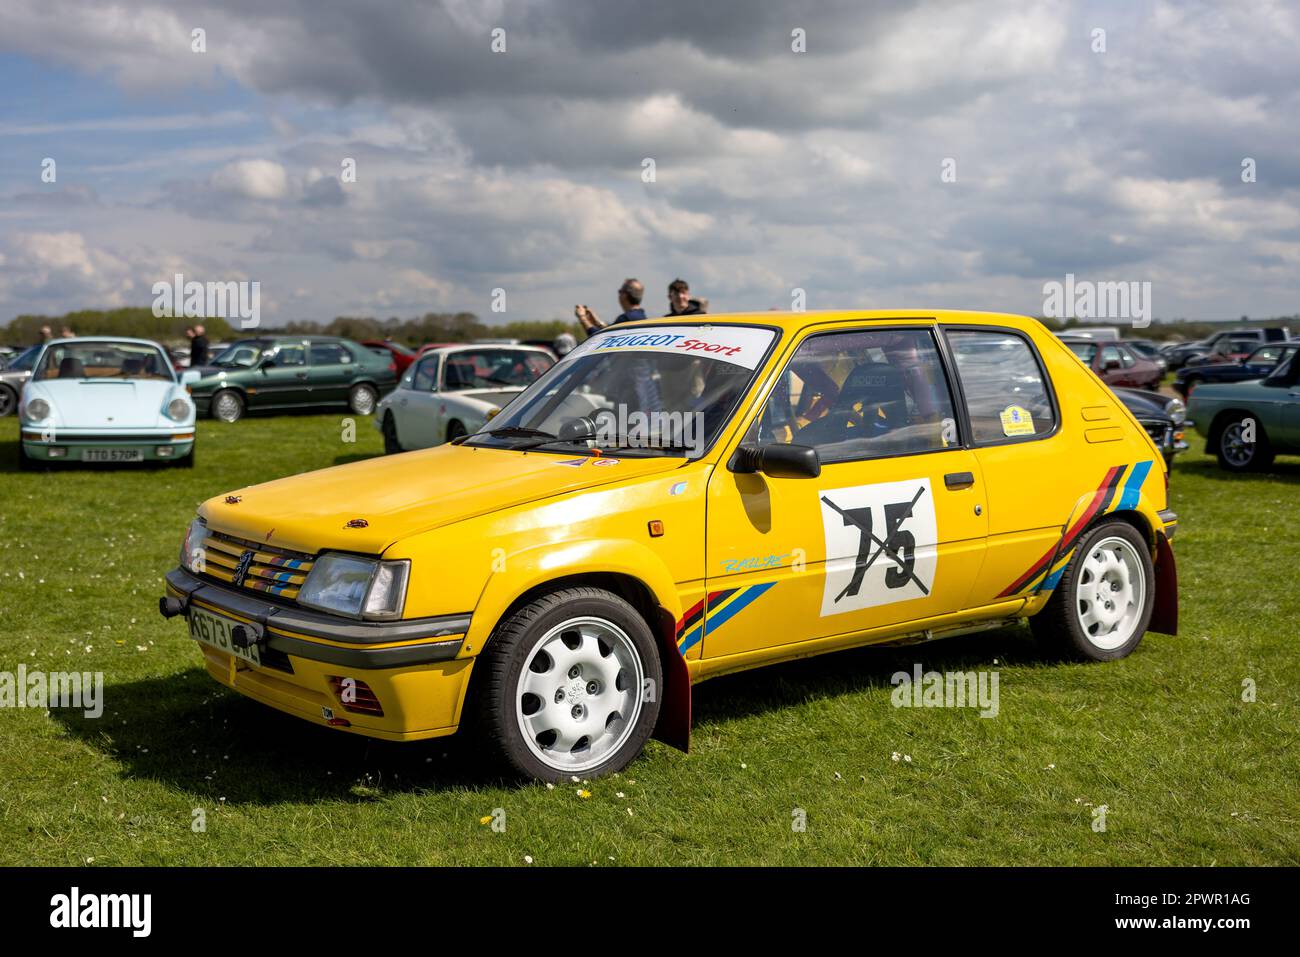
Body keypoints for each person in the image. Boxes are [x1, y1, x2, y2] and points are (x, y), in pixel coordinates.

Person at [574, 279, 646, 338]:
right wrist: (597, 322)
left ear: (625, 295)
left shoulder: (626, 318)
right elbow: (610, 332)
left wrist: (582, 317)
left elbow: (599, 339)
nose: (619, 295)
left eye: (620, 291)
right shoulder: (642, 317)